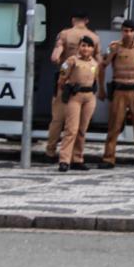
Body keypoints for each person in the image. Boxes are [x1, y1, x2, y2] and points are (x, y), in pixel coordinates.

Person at [97, 19, 134, 170]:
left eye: (130, 31)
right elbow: (102, 66)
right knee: (114, 126)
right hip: (120, 91)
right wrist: (101, 89)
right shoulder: (115, 47)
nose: (128, 34)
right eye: (125, 31)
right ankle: (108, 158)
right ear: (121, 31)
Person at [45, 12, 100, 161]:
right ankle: (75, 157)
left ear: (73, 20)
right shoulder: (94, 37)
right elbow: (99, 62)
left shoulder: (65, 34)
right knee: (79, 128)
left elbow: (55, 57)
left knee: (58, 120)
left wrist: (62, 68)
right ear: (87, 20)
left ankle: (50, 152)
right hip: (86, 85)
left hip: (65, 84)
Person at [57, 36, 98, 172]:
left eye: (89, 46)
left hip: (89, 97)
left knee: (82, 130)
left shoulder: (94, 63)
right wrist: (66, 88)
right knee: (71, 129)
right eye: (83, 45)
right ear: (79, 47)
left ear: (93, 49)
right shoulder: (71, 61)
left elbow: (95, 80)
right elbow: (62, 76)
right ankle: (64, 160)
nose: (86, 49)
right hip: (75, 96)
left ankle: (77, 159)